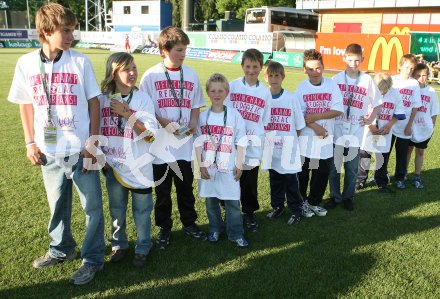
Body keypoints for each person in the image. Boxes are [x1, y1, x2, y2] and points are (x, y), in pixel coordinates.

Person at [7, 3, 105, 285]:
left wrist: (92, 143)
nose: (71, 35)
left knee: (93, 208)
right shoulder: (26, 63)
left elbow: (94, 103)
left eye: (72, 30)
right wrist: (29, 142)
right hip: (48, 151)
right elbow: (25, 105)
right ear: (46, 31)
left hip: (80, 149)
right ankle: (61, 249)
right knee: (57, 205)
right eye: (66, 30)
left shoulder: (80, 61)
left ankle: (93, 259)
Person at [139, 26, 206, 249]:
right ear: (164, 50)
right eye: (179, 50)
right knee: (163, 191)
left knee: (186, 188)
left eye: (185, 50)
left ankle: (189, 223)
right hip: (161, 146)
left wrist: (193, 123)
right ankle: (164, 228)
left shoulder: (192, 73)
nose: (183, 54)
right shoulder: (151, 76)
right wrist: (164, 123)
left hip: (184, 144)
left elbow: (196, 105)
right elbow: (145, 109)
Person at [99, 52, 157, 267]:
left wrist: (128, 114)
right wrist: (100, 157)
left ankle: (143, 247)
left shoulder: (143, 100)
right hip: (113, 166)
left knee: (142, 211)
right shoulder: (102, 99)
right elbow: (94, 130)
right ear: (113, 74)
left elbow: (151, 137)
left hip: (140, 167)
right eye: (126, 69)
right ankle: (119, 244)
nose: (133, 73)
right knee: (116, 209)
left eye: (134, 67)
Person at [195, 73, 249, 247]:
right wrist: (201, 164)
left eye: (220, 90)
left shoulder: (234, 115)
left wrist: (239, 164)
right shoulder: (203, 117)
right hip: (209, 167)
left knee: (232, 202)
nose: (216, 94)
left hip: (229, 167)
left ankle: (236, 233)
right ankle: (215, 229)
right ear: (208, 93)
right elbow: (197, 143)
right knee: (211, 202)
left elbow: (241, 141)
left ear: (226, 92)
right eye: (213, 91)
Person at [326, 43, 382, 211]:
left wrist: (370, 119)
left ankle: (348, 197)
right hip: (337, 130)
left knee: (351, 169)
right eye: (350, 60)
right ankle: (335, 197)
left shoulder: (367, 80)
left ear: (362, 60)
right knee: (334, 168)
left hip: (356, 132)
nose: (353, 64)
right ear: (344, 58)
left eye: (357, 60)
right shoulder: (335, 79)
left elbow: (378, 103)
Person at [225, 48, 272, 232]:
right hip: (233, 142)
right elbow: (226, 112)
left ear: (261, 67)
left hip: (253, 143)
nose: (251, 70)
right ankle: (229, 211)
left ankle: (249, 213)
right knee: (230, 178)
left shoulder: (265, 92)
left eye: (255, 66)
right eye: (248, 66)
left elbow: (265, 120)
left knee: (249, 181)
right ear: (242, 66)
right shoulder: (233, 85)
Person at [296, 49, 344, 217]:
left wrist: (316, 116)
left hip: (325, 139)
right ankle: (301, 203)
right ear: (304, 69)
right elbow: (299, 115)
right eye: (310, 69)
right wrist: (316, 127)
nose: (314, 72)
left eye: (317, 68)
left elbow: (338, 109)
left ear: (323, 67)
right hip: (306, 139)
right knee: (303, 174)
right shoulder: (301, 88)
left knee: (321, 173)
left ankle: (314, 202)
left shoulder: (331, 85)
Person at [262, 61, 307, 225]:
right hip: (271, 148)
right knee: (275, 180)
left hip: (288, 148)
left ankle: (296, 210)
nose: (274, 79)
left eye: (277, 75)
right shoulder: (263, 97)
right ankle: (277, 207)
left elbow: (299, 125)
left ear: (283, 77)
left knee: (291, 182)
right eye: (270, 75)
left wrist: (291, 142)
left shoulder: (291, 98)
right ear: (265, 77)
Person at [356, 73, 406, 193]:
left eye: (385, 91)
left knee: (382, 157)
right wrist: (370, 125)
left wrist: (389, 125)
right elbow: (359, 110)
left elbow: (399, 113)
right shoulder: (367, 92)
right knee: (364, 156)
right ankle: (360, 181)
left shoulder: (395, 94)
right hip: (368, 130)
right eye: (380, 91)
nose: (382, 93)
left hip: (385, 130)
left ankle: (381, 181)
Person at [391, 54, 422, 189]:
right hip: (389, 123)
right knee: (384, 152)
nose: (409, 70)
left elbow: (415, 106)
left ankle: (399, 178)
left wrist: (410, 125)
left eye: (412, 68)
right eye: (407, 67)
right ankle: (380, 175)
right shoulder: (391, 80)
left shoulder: (414, 83)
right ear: (400, 66)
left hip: (405, 125)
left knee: (402, 153)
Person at [406, 63, 439, 188]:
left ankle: (417, 175)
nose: (421, 78)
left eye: (424, 75)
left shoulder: (430, 92)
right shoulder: (410, 89)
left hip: (424, 128)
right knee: (408, 150)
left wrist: (432, 127)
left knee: (420, 152)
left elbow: (434, 112)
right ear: (413, 76)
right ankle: (403, 173)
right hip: (410, 127)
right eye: (418, 75)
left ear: (428, 76)